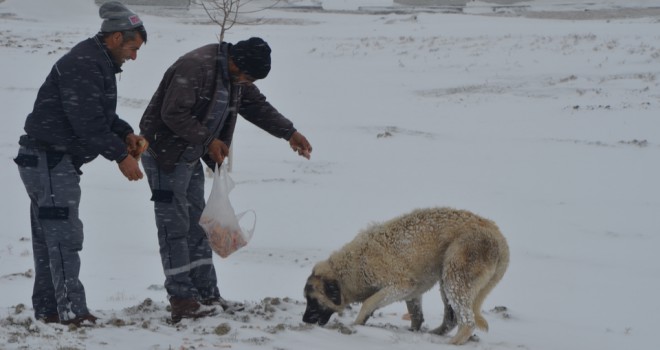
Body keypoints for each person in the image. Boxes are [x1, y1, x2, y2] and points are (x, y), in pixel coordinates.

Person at [139, 37, 313, 322]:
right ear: (236, 62)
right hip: (165, 156)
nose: (246, 82)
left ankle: (206, 294)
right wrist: (209, 140)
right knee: (174, 228)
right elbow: (173, 113)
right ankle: (182, 299)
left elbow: (257, 106)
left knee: (198, 226)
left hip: (189, 156)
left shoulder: (235, 77)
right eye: (246, 77)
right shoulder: (196, 67)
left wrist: (289, 133)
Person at [13, 1, 148, 326]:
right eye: (132, 47)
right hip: (48, 160)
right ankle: (72, 312)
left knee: (51, 239)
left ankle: (49, 310)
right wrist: (120, 156)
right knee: (63, 236)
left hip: (47, 159)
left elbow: (101, 116)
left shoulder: (96, 62)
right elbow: (86, 124)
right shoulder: (85, 63)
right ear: (115, 38)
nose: (134, 56)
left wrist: (126, 133)